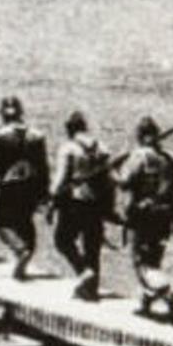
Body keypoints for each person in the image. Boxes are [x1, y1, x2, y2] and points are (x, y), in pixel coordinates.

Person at [114, 116, 173, 323]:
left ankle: (167, 294)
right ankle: (146, 301)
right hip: (164, 216)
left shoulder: (140, 156)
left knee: (141, 262)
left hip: (142, 216)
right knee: (154, 259)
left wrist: (113, 171)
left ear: (140, 135)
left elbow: (125, 183)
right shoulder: (170, 159)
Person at [0, 96, 49, 279]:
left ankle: (19, 249)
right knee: (25, 221)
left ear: (3, 114)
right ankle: (25, 258)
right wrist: (44, 193)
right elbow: (44, 166)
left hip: (10, 184)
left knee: (1, 222)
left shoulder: (1, 136)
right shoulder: (37, 136)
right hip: (31, 184)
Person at [50, 111, 116, 301]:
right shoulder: (102, 148)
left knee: (62, 240)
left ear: (69, 130)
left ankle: (83, 271)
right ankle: (91, 290)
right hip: (97, 203)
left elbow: (60, 179)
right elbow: (110, 180)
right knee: (92, 247)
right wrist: (109, 208)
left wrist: (52, 199)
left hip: (75, 202)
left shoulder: (68, 148)